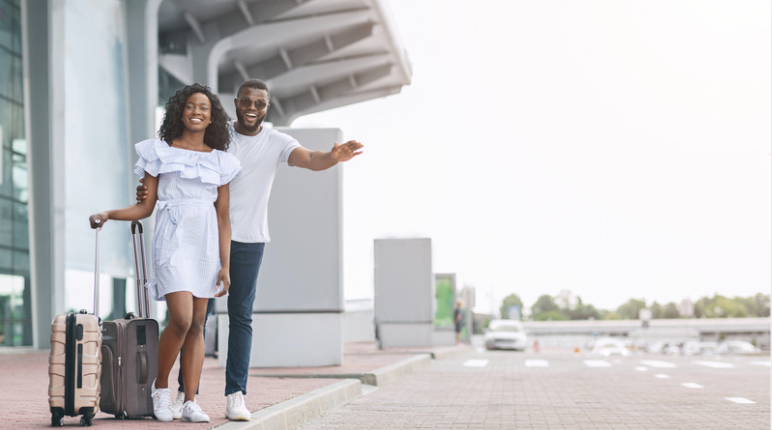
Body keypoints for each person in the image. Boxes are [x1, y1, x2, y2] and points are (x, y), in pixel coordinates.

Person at [137, 78, 363, 421]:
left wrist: (333, 157)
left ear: (267, 107)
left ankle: (235, 395)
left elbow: (310, 159)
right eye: (246, 101)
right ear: (237, 102)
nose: (252, 108)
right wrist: (147, 191)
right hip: (205, 235)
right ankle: (185, 394)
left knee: (241, 317)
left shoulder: (277, 142)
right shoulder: (218, 135)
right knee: (196, 320)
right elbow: (181, 159)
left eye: (260, 103)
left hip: (249, 240)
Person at [91, 84, 241, 423]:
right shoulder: (159, 152)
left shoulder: (222, 161)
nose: (197, 112)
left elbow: (223, 217)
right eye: (190, 106)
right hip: (173, 239)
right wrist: (109, 214)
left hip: (206, 242)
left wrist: (225, 265)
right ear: (179, 112)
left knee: (198, 324)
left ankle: (189, 401)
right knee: (182, 319)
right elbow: (145, 207)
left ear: (212, 117)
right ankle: (160, 388)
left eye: (204, 108)